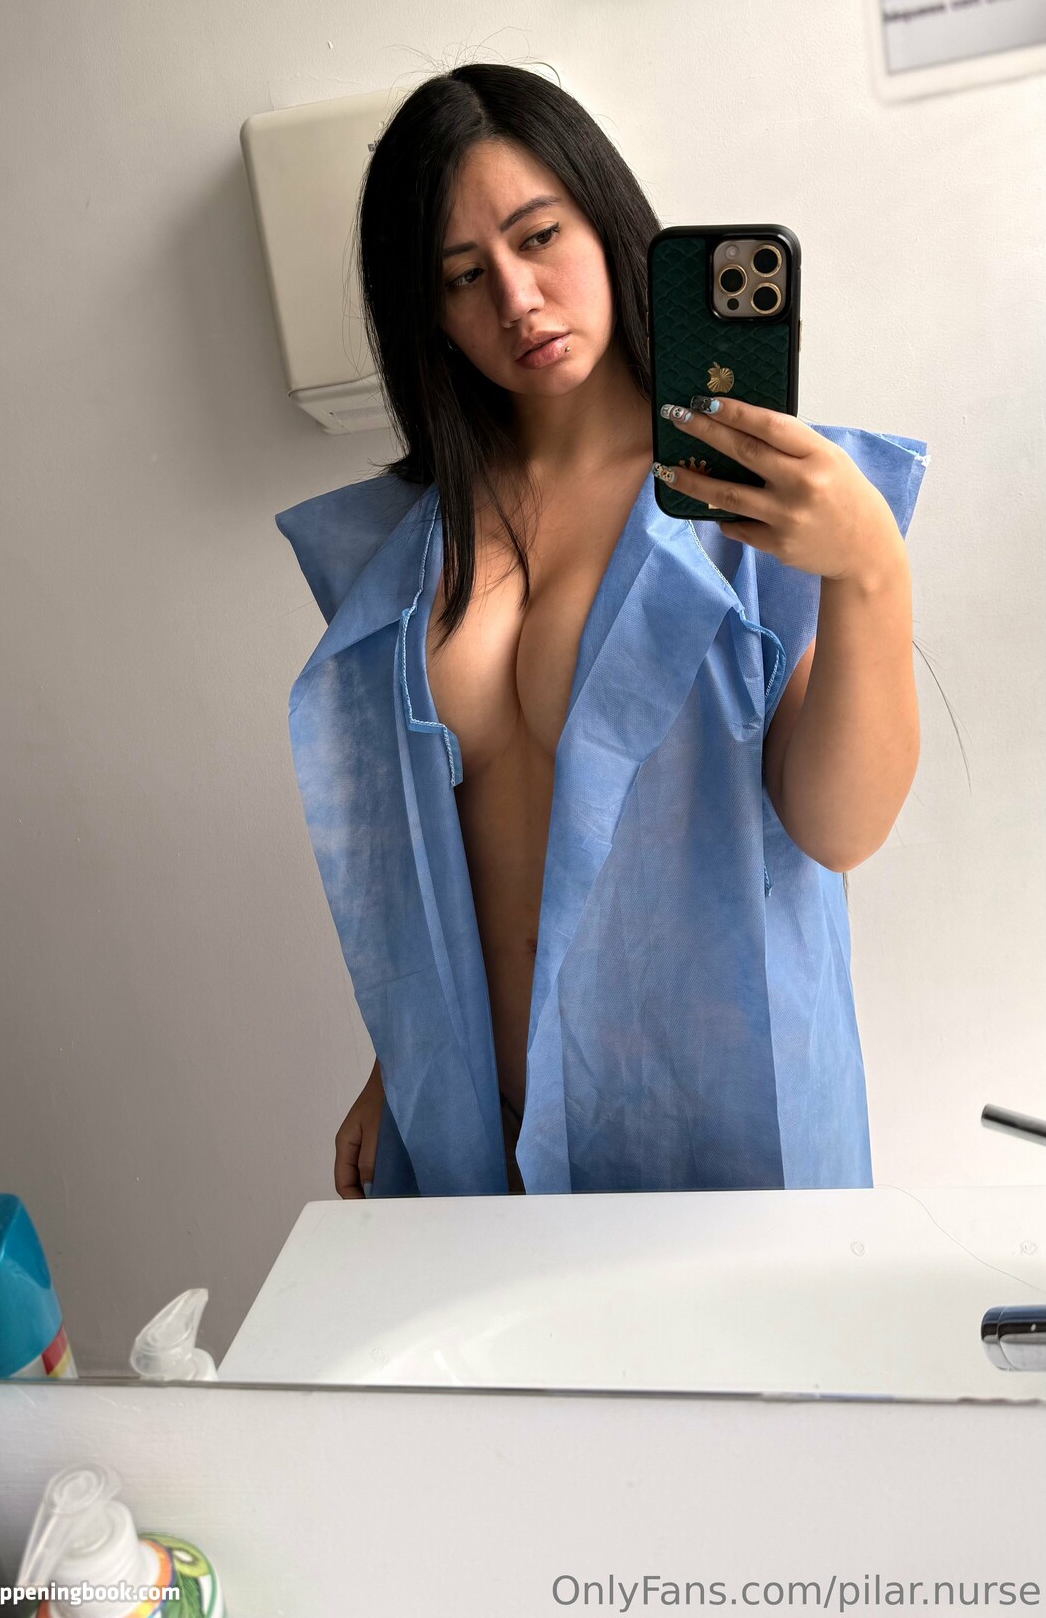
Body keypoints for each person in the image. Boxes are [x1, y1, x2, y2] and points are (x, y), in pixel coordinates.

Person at [275, 62, 929, 1200]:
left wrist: (870, 569)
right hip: (481, 1128)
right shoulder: (408, 546)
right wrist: (400, 1058)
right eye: (464, 275)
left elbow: (839, 829)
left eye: (540, 237)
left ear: (607, 219)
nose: (517, 298)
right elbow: (443, 847)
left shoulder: (756, 499)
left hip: (715, 1129)